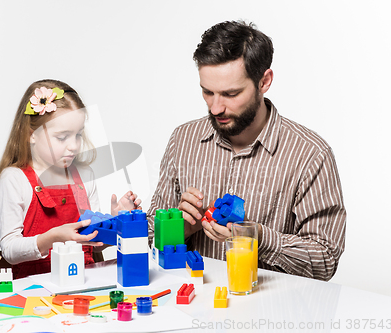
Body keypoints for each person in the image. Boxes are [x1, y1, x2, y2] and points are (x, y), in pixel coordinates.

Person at [148, 21, 346, 281]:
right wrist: (178, 229)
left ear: (264, 82)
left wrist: (257, 238)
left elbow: (325, 260)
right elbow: (148, 237)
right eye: (207, 92)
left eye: (231, 94)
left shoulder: (310, 155)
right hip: (193, 308)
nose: (216, 108)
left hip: (268, 314)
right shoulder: (183, 140)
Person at [0, 79, 141, 279]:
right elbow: (10, 249)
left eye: (78, 135)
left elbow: (93, 244)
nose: (74, 146)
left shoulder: (85, 177)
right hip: (35, 295)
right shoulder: (14, 179)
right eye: (62, 137)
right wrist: (53, 237)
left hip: (84, 288)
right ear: (32, 135)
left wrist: (115, 222)